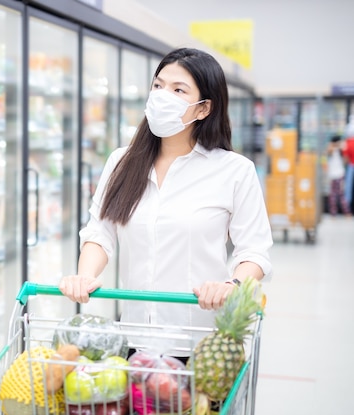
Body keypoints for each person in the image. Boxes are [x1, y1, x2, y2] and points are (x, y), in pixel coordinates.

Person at [59, 48, 273, 341]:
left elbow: (254, 250)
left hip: (200, 341)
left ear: (204, 108)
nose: (162, 96)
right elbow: (100, 233)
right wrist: (85, 275)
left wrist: (232, 284)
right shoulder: (122, 162)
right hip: (134, 336)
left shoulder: (234, 171)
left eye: (178, 90)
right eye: (158, 86)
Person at [326, 135, 351, 216]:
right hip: (334, 174)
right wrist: (336, 145)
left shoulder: (341, 149)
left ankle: (344, 212)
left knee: (339, 194)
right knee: (334, 194)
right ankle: (335, 212)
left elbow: (346, 159)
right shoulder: (332, 149)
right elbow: (329, 150)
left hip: (339, 174)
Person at [343, 121, 354, 212]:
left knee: (348, 187)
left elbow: (346, 158)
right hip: (351, 166)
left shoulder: (347, 142)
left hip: (351, 166)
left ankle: (348, 208)